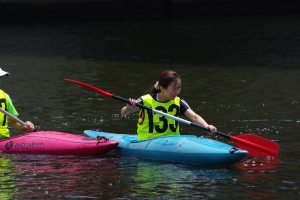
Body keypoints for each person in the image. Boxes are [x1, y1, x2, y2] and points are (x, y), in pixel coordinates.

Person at [121, 70, 217, 140]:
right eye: (174, 89)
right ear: (162, 88)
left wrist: (206, 126)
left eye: (178, 88)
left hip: (172, 141)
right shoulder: (146, 100)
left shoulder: (178, 101)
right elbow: (124, 113)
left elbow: (194, 117)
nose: (177, 92)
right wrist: (128, 108)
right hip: (148, 141)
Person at [0, 68, 35, 139]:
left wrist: (24, 126)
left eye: (0, 78)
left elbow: (14, 122)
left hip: (3, 140)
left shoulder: (5, 96)